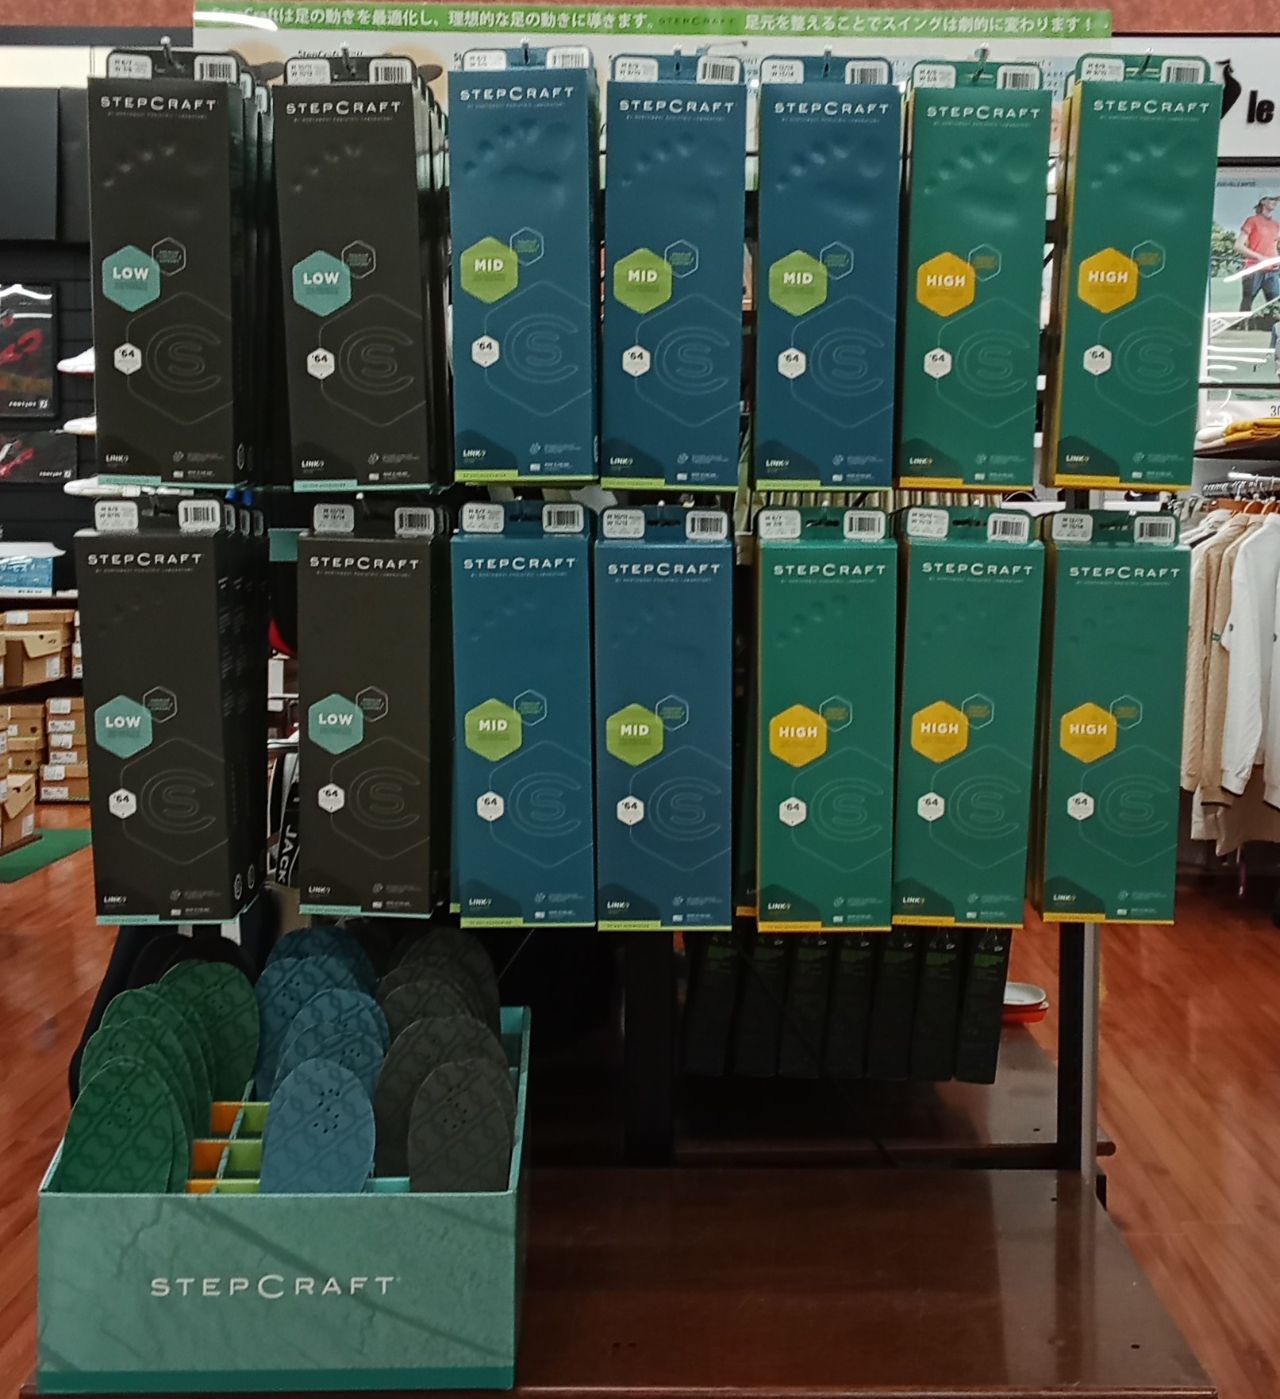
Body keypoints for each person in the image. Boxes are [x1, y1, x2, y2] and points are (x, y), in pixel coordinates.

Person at [1237, 196, 1280, 311]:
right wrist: (1260, 257)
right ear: (1263, 202)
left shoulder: (1276, 225)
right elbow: (1238, 246)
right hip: (1253, 270)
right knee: (1247, 303)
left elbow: (1273, 246)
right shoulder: (1252, 221)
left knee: (1276, 305)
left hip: (1272, 272)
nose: (1275, 202)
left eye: (1276, 200)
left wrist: (1277, 260)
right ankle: (1243, 322)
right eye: (1271, 199)